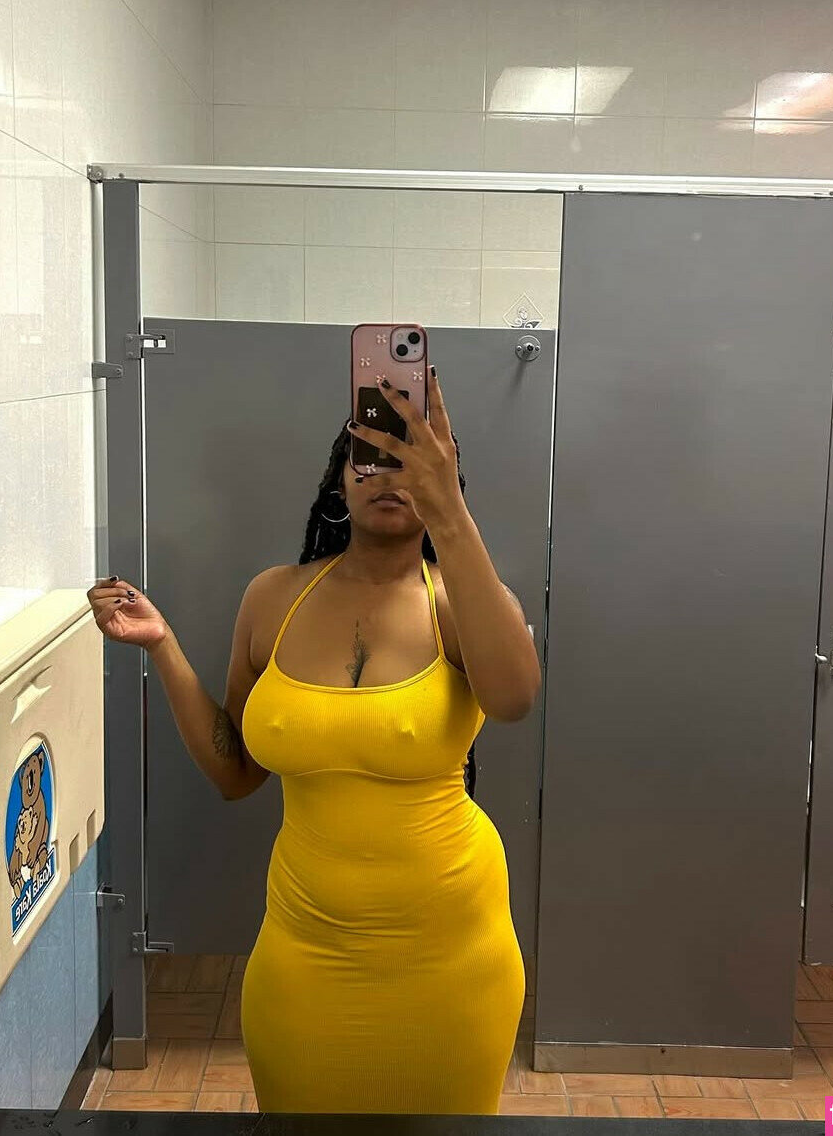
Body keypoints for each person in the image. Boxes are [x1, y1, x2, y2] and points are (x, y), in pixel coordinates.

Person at [86, 368, 541, 1114]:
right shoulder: (273, 597)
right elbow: (236, 773)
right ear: (337, 482)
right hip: (305, 951)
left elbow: (514, 698)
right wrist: (163, 646)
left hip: (453, 952)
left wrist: (451, 513)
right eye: (368, 456)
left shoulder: (461, 604)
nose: (387, 475)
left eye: (410, 461)